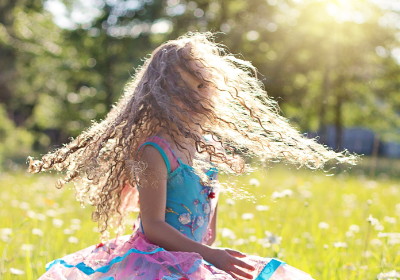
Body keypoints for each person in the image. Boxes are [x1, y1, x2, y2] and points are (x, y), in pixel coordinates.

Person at [28, 31, 355, 279]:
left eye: (203, 87)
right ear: (161, 96)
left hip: (192, 259)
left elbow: (207, 217)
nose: (198, 97)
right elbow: (154, 226)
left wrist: (208, 251)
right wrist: (208, 253)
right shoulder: (151, 152)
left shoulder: (207, 147)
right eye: (185, 90)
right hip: (154, 263)